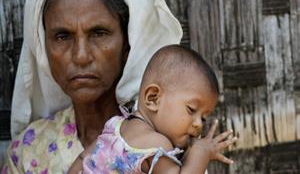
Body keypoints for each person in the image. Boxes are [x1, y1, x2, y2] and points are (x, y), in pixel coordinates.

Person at [1, 0, 182, 173]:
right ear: (44, 49)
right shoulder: (29, 150)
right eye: (62, 36)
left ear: (127, 44)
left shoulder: (163, 143)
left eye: (99, 33)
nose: (80, 56)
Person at [68, 45, 237, 174]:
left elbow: (82, 158)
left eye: (204, 118)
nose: (198, 124)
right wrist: (201, 154)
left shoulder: (116, 125)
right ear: (153, 98)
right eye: (191, 110)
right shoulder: (157, 145)